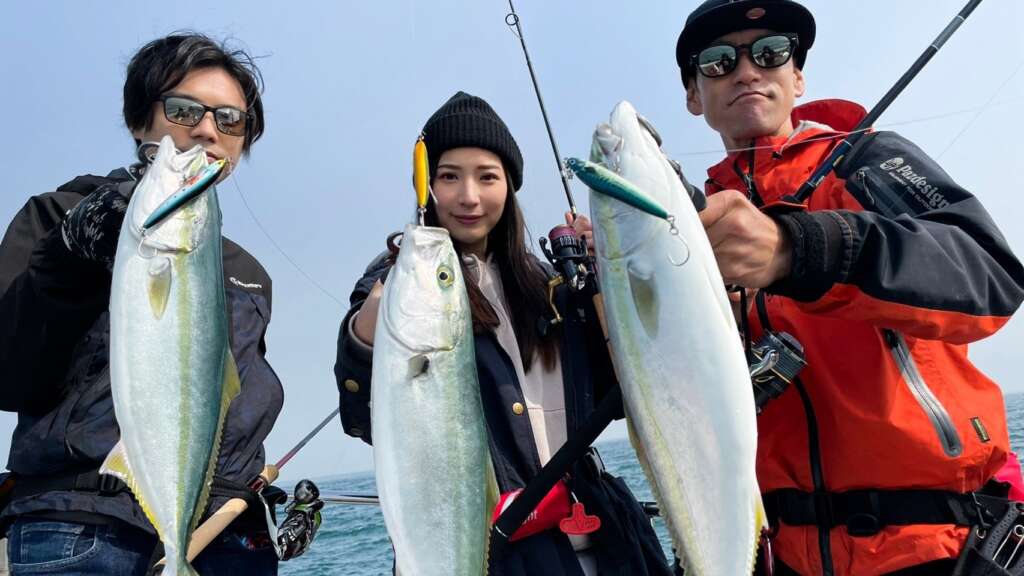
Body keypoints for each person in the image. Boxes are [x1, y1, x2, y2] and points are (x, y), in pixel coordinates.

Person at [675, 1, 1024, 574]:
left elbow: (989, 275)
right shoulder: (690, 223)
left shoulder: (864, 161)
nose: (746, 71)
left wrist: (802, 248)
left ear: (797, 76)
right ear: (694, 96)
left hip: (937, 544)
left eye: (770, 53)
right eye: (716, 62)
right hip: (780, 553)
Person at [0, 33, 317, 575]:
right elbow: (8, 371)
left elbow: (228, 403)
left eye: (230, 120)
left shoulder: (246, 273)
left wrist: (257, 501)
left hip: (225, 538)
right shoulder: (60, 216)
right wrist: (70, 257)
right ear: (138, 121)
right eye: (183, 109)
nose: (206, 129)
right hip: (83, 526)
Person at [334, 91, 672, 576]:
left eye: (487, 177)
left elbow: (617, 389)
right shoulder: (397, 283)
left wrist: (607, 279)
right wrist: (366, 335)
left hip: (603, 537)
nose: (469, 197)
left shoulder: (550, 283)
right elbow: (363, 416)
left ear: (509, 187)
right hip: (492, 546)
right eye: (449, 176)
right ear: (425, 185)